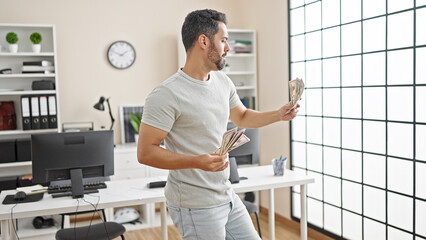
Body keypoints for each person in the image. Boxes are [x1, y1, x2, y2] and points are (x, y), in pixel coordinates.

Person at [137, 9, 299, 240]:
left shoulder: (223, 81)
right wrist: (196, 161)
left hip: (226, 195)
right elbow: (145, 153)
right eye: (223, 40)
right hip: (194, 204)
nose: (228, 48)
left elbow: (241, 116)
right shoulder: (166, 94)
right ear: (203, 41)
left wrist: (278, 114)